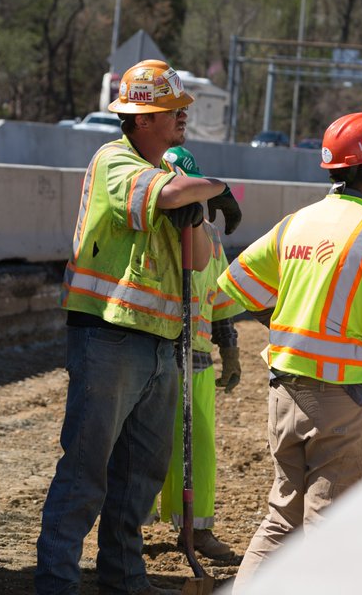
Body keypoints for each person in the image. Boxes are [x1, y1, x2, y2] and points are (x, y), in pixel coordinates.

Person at [36, 59, 240, 595]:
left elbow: (196, 260)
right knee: (85, 473)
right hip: (108, 338)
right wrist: (208, 187)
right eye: (173, 112)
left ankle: (125, 581)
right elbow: (163, 195)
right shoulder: (114, 161)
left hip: (159, 345)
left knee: (139, 479)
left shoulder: (171, 179)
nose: (182, 120)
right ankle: (55, 584)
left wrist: (198, 208)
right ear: (143, 117)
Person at [218, 112, 362, 587]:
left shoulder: (296, 225)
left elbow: (238, 285)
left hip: (285, 393)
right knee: (333, 525)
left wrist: (282, 325)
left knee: (282, 519)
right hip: (344, 402)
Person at [157, 145, 242, 562]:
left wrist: (231, 351)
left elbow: (221, 298)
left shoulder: (208, 235)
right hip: (157, 350)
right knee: (148, 445)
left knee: (199, 448)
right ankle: (130, 528)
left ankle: (197, 530)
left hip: (198, 358)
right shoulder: (156, 229)